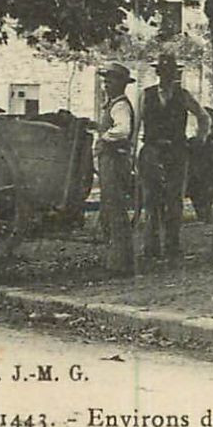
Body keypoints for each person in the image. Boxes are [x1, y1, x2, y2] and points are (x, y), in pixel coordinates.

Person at [138, 55, 211, 264]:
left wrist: (200, 138)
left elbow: (203, 116)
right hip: (152, 150)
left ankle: (173, 245)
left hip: (177, 151)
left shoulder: (183, 95)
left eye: (171, 72)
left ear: (175, 74)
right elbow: (137, 125)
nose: (167, 76)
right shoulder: (146, 95)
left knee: (174, 199)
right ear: (158, 73)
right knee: (151, 200)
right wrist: (136, 152)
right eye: (163, 71)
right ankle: (151, 247)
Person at [95, 62, 137, 276]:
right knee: (109, 209)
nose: (106, 84)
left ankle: (121, 264)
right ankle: (116, 260)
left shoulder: (120, 106)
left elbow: (123, 129)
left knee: (115, 209)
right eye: (105, 80)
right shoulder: (111, 103)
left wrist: (103, 137)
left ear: (121, 83)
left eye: (110, 80)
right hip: (109, 160)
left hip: (115, 160)